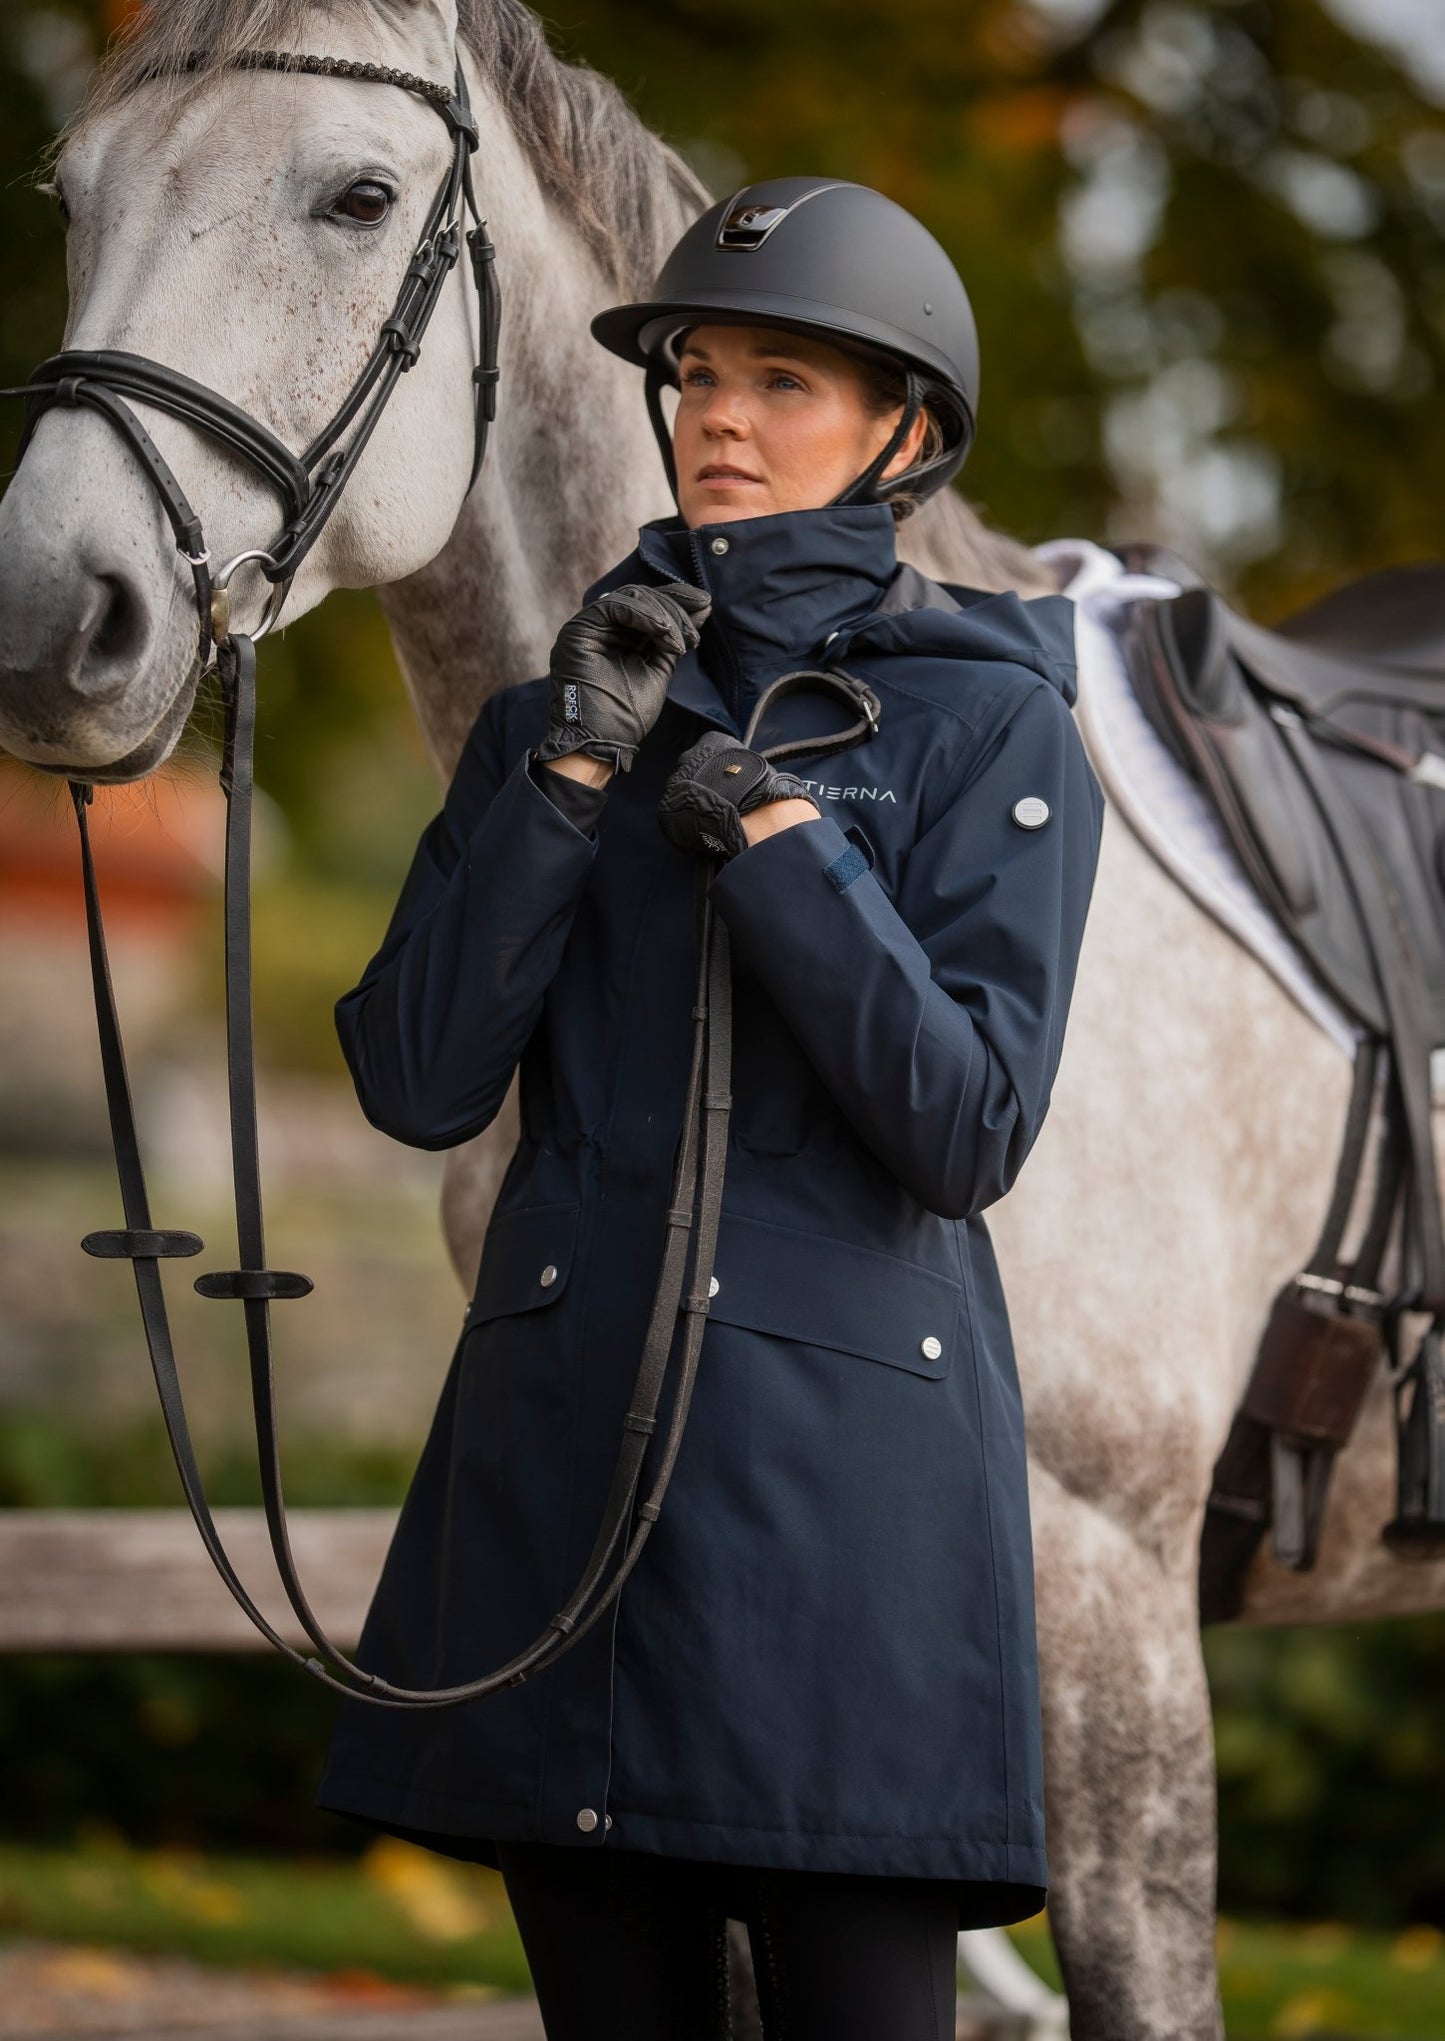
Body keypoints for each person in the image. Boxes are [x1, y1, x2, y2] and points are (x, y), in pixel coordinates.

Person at [316, 176, 1105, 2041]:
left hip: (839, 1534)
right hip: (558, 1495)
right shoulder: (551, 719)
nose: (720, 417)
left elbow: (966, 1124)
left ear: (898, 434)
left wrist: (776, 845)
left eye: (784, 382)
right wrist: (577, 767)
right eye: (698, 375)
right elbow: (419, 1080)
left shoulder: (988, 727)